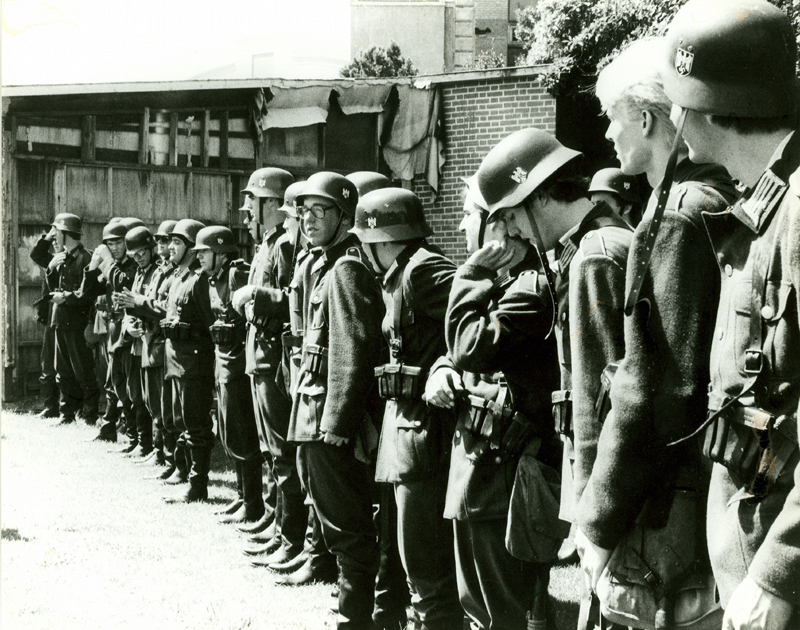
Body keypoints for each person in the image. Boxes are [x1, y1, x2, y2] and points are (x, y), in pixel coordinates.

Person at [574, 32, 738, 628]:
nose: (608, 136)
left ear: (645, 118)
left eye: (612, 120)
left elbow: (654, 389)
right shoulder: (724, 191)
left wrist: (597, 520)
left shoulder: (676, 213)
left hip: (667, 506)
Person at [659, 2, 800, 628]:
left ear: (707, 107)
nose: (671, 117)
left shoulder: (796, 213)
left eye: (678, 100)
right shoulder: (761, 205)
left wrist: (780, 575)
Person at [425, 171, 561, 630]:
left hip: (502, 480)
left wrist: (471, 273)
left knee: (498, 611)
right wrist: (442, 368)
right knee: (478, 606)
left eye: (470, 216)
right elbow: (459, 353)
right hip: (480, 471)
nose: (463, 227)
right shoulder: (505, 287)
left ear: (499, 227)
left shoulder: (529, 289)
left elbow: (472, 345)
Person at [351, 187, 462, 630]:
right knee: (407, 559)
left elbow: (475, 304)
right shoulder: (398, 274)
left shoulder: (423, 270)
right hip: (404, 432)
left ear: (383, 238)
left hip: (425, 436)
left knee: (428, 571)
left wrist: (445, 363)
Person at [290, 171, 384, 629]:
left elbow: (353, 349)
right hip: (314, 409)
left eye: (319, 211)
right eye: (303, 211)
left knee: (348, 528)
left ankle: (355, 618)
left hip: (329, 419)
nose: (308, 219)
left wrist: (338, 425)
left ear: (344, 216)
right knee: (336, 522)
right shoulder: (326, 262)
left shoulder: (346, 266)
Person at [194, 225, 266, 525]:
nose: (199, 257)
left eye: (205, 252)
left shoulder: (236, 274)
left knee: (242, 433)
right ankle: (241, 496)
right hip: (222, 362)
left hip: (237, 364)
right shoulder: (209, 280)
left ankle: (252, 502)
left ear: (221, 253)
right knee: (229, 433)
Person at [160, 218, 215, 504]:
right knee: (183, 423)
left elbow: (211, 327)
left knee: (196, 426)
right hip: (177, 362)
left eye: (178, 242)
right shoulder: (179, 278)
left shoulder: (199, 281)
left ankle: (197, 486)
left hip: (195, 365)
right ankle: (184, 472)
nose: (171, 246)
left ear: (193, 248)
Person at [81, 219, 147, 449]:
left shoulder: (133, 265)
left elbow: (123, 283)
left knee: (131, 385)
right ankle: (114, 430)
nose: (115, 248)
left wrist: (107, 263)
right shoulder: (111, 265)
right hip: (112, 328)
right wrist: (93, 265)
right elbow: (87, 292)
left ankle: (137, 437)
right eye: (110, 244)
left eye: (119, 242)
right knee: (114, 383)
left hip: (129, 329)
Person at [42, 212, 100, 426]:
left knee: (83, 371)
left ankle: (89, 414)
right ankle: (67, 414)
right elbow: (53, 288)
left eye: (56, 232)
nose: (54, 237)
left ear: (67, 233)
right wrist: (50, 269)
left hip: (77, 324)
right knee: (62, 371)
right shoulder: (62, 257)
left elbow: (87, 294)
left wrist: (64, 298)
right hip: (59, 322)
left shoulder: (86, 258)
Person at [29, 218, 66, 419]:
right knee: (48, 364)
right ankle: (51, 407)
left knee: (65, 365)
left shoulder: (71, 258)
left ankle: (67, 408)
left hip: (66, 316)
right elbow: (36, 254)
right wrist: (50, 236)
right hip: (51, 316)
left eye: (58, 236)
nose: (54, 241)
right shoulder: (52, 257)